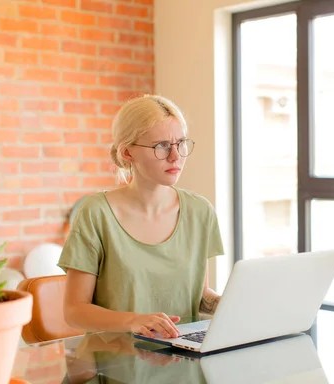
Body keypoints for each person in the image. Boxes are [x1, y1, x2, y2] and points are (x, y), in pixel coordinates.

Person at [58, 94, 224, 341]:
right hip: (116, 364)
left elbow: (198, 294)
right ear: (127, 153)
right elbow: (74, 311)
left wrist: (228, 305)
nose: (175, 156)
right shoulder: (96, 213)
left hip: (183, 362)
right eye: (162, 146)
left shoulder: (200, 211)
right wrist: (134, 321)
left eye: (180, 143)